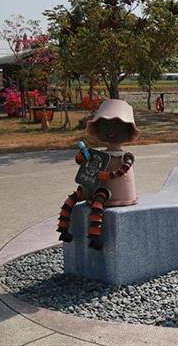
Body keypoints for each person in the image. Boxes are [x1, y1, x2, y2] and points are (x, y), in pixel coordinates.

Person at [56, 99, 140, 250]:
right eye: (105, 124)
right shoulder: (99, 155)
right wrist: (81, 156)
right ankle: (63, 230)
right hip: (91, 186)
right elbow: (81, 162)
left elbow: (124, 170)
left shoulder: (125, 156)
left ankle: (94, 237)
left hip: (107, 192)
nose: (110, 129)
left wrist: (109, 176)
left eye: (117, 125)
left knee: (98, 203)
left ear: (127, 130)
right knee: (72, 199)